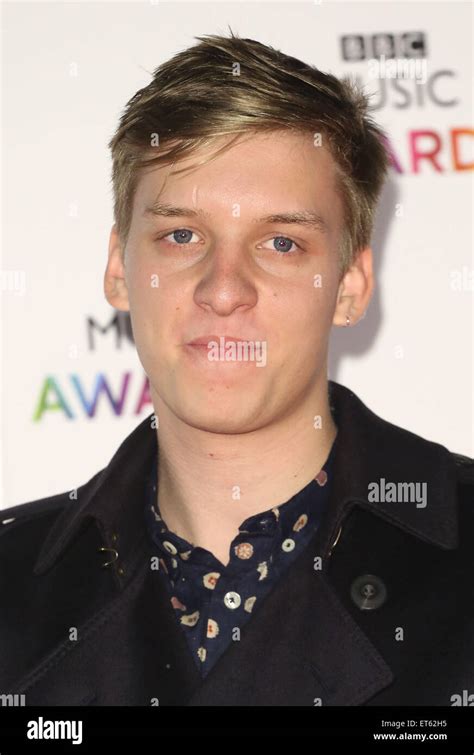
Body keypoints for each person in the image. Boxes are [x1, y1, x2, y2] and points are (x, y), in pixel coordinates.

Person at [1, 32, 473, 708]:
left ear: (349, 285)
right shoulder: (12, 586)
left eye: (281, 243)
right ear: (118, 269)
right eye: (181, 236)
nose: (224, 289)